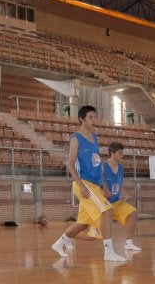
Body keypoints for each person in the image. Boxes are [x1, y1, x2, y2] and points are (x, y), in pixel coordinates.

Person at [51, 105, 127, 262]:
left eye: (94, 117)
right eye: (90, 117)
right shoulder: (75, 139)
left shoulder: (95, 139)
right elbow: (71, 165)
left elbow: (97, 164)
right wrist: (81, 186)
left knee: (82, 224)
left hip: (94, 184)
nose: (94, 120)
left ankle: (59, 243)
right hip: (84, 183)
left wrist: (102, 185)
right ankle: (109, 252)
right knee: (107, 210)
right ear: (82, 119)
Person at [76, 142, 142, 252]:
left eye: (122, 152)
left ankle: (129, 243)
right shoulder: (102, 166)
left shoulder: (121, 167)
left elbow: (119, 182)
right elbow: (94, 182)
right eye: (120, 152)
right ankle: (71, 235)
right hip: (102, 205)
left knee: (133, 213)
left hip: (115, 202)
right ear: (112, 153)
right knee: (92, 237)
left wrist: (128, 190)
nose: (122, 154)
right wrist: (103, 188)